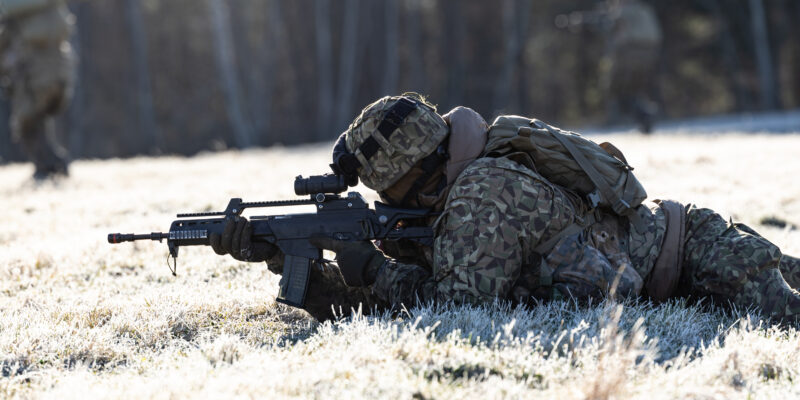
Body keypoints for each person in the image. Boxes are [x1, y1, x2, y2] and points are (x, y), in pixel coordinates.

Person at [210, 94, 800, 324]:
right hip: (674, 272)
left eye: (386, 190)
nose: (382, 201)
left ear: (417, 176)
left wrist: (371, 268)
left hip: (698, 254)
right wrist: (291, 263)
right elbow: (402, 303)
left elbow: (458, 311)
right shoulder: (451, 188)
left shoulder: (481, 192)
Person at [0, 0, 75, 179]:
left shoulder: (16, 13)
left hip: (33, 74)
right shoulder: (50, 11)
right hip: (60, 69)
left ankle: (48, 167)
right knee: (38, 121)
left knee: (27, 124)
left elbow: (4, 40)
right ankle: (53, 165)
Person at [601, 0, 662, 133]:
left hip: (630, 53)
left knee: (620, 90)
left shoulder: (624, 11)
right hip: (649, 54)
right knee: (635, 89)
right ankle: (645, 117)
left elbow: (612, 26)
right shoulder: (644, 10)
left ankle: (645, 115)